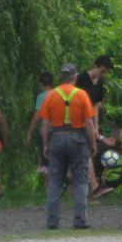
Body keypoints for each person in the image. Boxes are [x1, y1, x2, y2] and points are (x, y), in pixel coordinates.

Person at [26, 63, 98, 230]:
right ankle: (79, 220)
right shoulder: (81, 95)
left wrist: (46, 144)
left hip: (57, 139)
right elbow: (89, 123)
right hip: (77, 140)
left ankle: (52, 221)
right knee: (80, 181)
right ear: (75, 77)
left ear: (61, 77)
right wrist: (93, 143)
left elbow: (45, 124)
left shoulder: (51, 95)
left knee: (55, 182)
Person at [77, 55, 117, 198]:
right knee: (86, 152)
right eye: (102, 71)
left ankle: (93, 186)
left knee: (90, 152)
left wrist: (96, 126)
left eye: (105, 72)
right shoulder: (82, 79)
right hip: (79, 120)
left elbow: (96, 106)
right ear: (96, 66)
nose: (103, 74)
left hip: (90, 121)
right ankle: (93, 187)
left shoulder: (100, 83)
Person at [29, 72, 54, 175]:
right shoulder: (58, 94)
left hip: (45, 133)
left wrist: (30, 133)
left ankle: (49, 185)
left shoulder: (41, 97)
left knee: (46, 166)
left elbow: (37, 117)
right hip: (59, 132)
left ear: (41, 83)